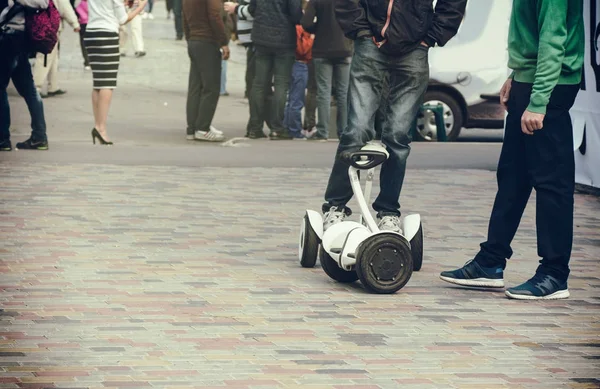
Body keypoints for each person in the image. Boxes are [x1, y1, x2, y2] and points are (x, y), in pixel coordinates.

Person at [440, 0, 585, 300]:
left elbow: (553, 38)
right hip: (529, 81)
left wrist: (539, 100)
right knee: (512, 177)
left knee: (552, 184)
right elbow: (533, 34)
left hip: (548, 88)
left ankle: (555, 274)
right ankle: (491, 262)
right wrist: (515, 76)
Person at [321, 0, 466, 231]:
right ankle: (335, 206)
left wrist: (432, 37)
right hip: (370, 42)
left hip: (415, 48)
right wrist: (360, 30)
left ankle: (388, 212)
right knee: (357, 131)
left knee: (398, 136)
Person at [84, 0, 147, 145]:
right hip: (107, 35)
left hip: (91, 33)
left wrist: (124, 5)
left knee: (98, 83)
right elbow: (123, 19)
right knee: (107, 83)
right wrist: (141, 7)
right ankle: (101, 128)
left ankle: (97, 124)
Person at [245, 0, 302, 140]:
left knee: (259, 84)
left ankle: (254, 128)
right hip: (284, 41)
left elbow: (252, 9)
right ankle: (277, 128)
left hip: (261, 38)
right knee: (281, 84)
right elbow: (296, 15)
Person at [0, 0, 50, 151]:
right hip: (17, 38)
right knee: (29, 90)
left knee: (2, 89)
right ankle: (39, 137)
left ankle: (3, 139)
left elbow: (43, 3)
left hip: (10, 38)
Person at [301, 0, 352, 141]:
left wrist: (318, 28)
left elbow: (306, 22)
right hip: (344, 48)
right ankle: (344, 132)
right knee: (343, 93)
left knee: (323, 92)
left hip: (322, 49)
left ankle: (323, 131)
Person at [183, 0, 229, 142]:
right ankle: (203, 128)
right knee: (211, 87)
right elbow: (215, 15)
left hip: (194, 40)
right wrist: (223, 41)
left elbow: (184, 17)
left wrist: (189, 37)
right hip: (207, 41)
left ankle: (192, 128)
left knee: (195, 87)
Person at [33, 0, 80, 98]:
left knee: (52, 58)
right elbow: (65, 7)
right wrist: (74, 23)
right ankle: (36, 87)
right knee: (45, 57)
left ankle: (53, 86)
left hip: (41, 24)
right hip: (50, 26)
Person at [283, 24, 313, 138]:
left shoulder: (292, 27)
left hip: (290, 63)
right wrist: (312, 39)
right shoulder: (301, 28)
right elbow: (303, 49)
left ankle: (286, 126)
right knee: (297, 100)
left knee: (290, 99)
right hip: (300, 64)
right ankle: (295, 130)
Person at [75, 0, 91, 70]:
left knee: (83, 44)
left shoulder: (80, 4)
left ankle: (87, 62)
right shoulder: (92, 4)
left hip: (83, 24)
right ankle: (91, 61)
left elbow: (76, 14)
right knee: (91, 44)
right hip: (91, 24)